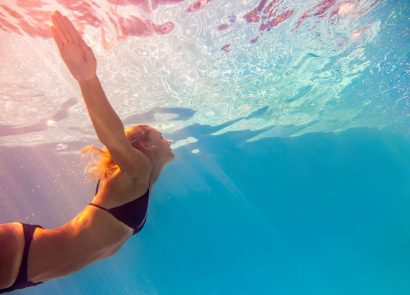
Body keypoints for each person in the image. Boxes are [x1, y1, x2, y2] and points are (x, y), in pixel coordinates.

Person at [0, 10, 174, 293]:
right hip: (21, 253)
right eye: (159, 133)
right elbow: (113, 136)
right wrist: (87, 78)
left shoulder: (135, 183)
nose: (166, 137)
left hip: (25, 268)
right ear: (144, 145)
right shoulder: (138, 171)